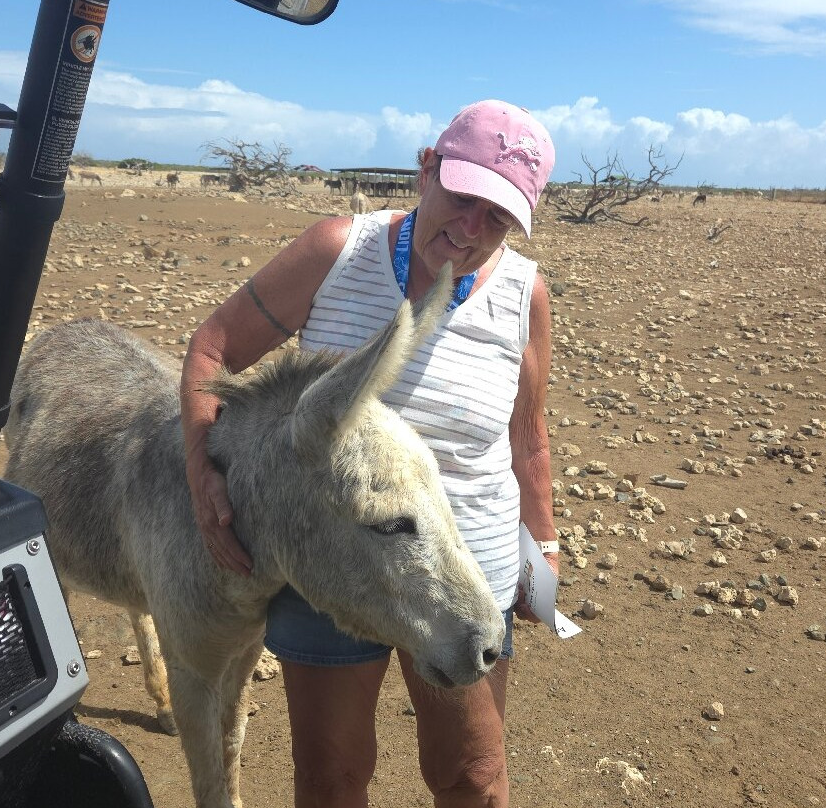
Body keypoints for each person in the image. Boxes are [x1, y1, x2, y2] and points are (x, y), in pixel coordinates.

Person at [180, 99, 558, 808]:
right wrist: (203, 474)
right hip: (328, 557)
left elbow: (526, 437)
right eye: (463, 197)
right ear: (426, 169)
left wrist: (545, 550)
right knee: (331, 778)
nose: (472, 229)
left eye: (499, 217)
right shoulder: (337, 250)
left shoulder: (522, 292)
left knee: (471, 775)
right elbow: (214, 350)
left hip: (462, 562)